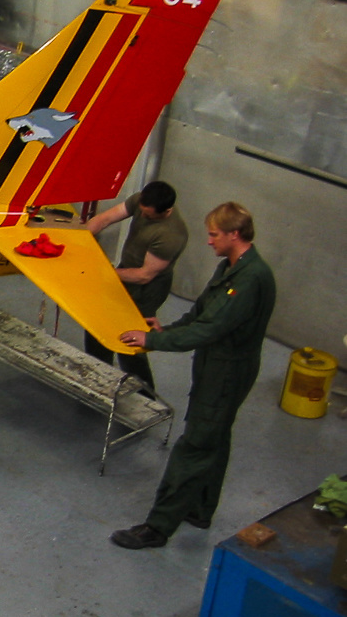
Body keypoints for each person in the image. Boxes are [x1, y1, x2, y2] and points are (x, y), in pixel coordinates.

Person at [109, 202, 276, 550]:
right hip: (216, 364)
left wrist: (153, 340)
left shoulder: (251, 279)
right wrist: (166, 327)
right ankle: (200, 508)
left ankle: (157, 527)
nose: (208, 241)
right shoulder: (230, 268)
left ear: (234, 234)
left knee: (196, 444)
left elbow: (211, 328)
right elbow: (202, 313)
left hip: (227, 370)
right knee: (215, 437)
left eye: (214, 234)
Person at [83, 180, 187, 390]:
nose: (143, 217)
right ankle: (98, 377)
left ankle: (145, 396)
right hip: (125, 271)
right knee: (98, 324)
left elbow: (144, 275)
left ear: (166, 211)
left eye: (149, 216)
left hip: (147, 289)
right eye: (142, 212)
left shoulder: (171, 235)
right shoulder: (142, 201)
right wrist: (80, 239)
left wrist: (103, 272)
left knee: (130, 341)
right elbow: (105, 219)